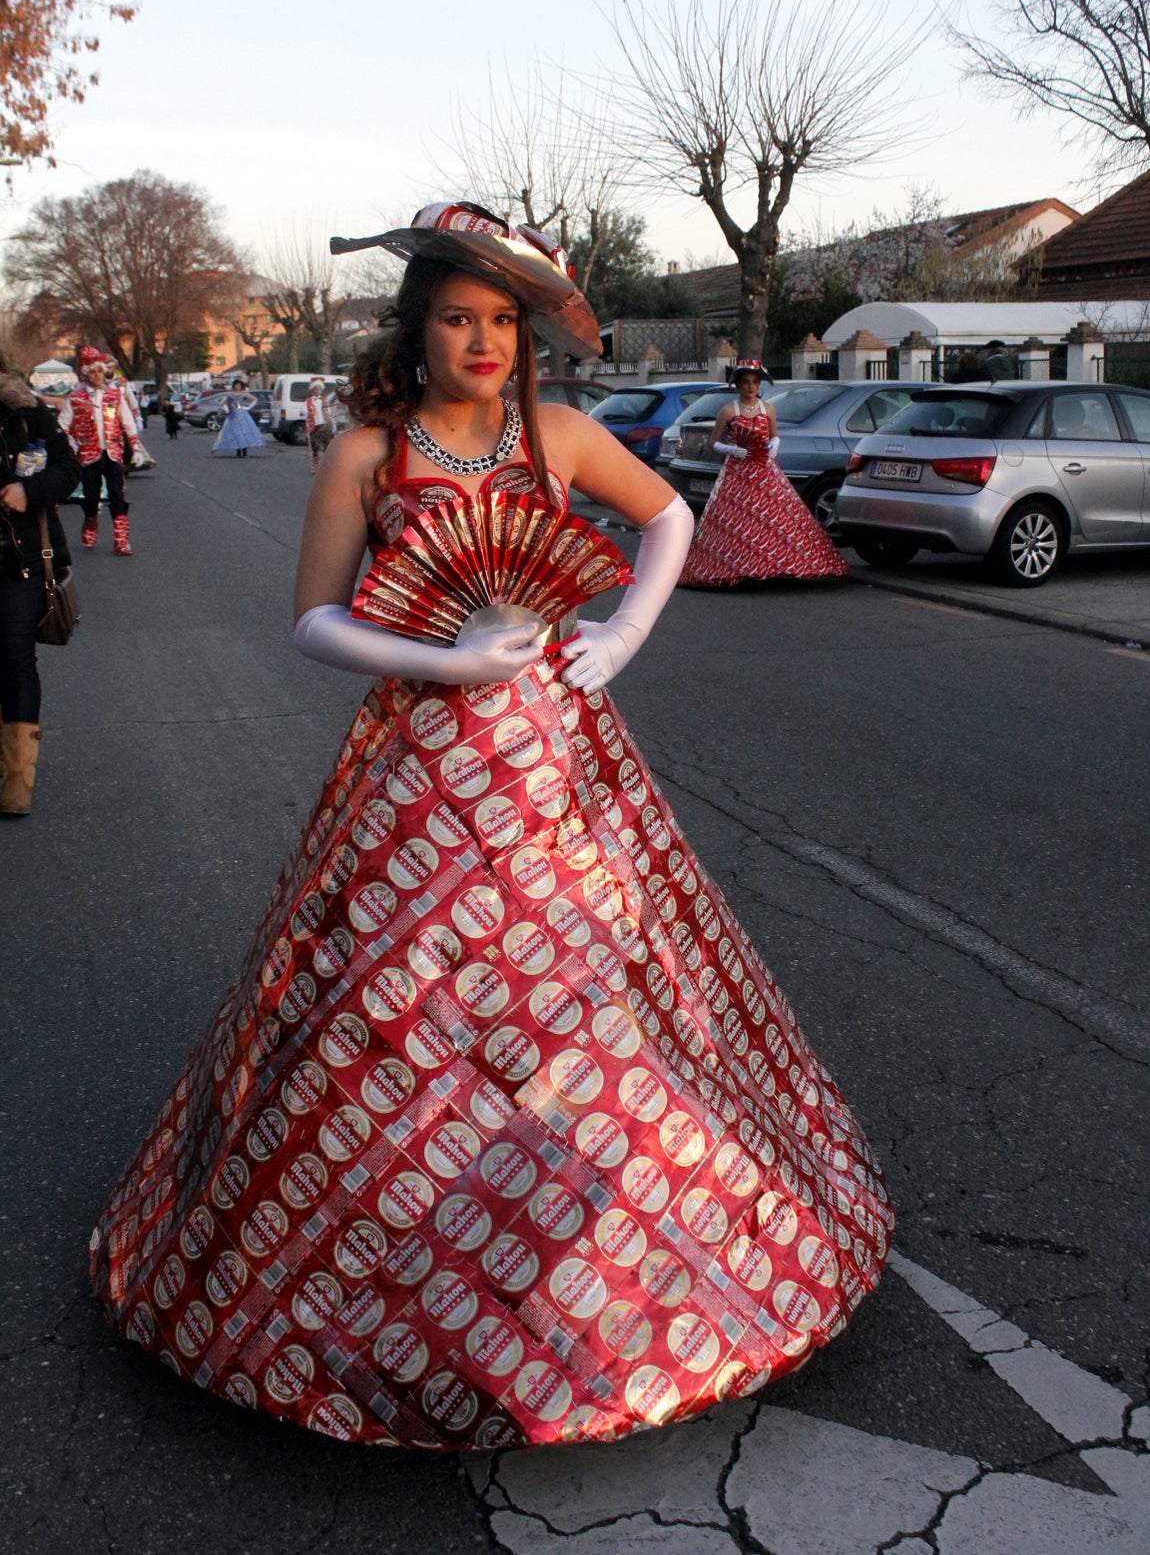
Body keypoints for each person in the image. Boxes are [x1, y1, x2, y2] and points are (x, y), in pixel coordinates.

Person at [91, 203, 891, 1450]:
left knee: (600, 987)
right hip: (417, 767)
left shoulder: (558, 434)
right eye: (457, 317)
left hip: (559, 766)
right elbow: (310, 620)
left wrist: (619, 633)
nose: (480, 339)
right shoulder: (364, 454)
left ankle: (630, 1280)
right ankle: (387, 1269)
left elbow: (668, 518)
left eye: (501, 320)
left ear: (523, 338)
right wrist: (437, 659)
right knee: (391, 1000)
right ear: (417, 332)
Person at [679, 358, 848, 586]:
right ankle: (735, 565)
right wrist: (732, 450)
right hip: (737, 473)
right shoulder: (728, 410)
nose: (751, 386)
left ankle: (773, 564)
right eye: (746, 382)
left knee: (775, 517)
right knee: (737, 519)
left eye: (755, 382)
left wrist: (774, 445)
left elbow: (774, 434)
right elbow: (712, 442)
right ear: (738, 385)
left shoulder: (768, 408)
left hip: (764, 470)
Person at [0, 362, 81, 815]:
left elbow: (69, 470)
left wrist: (27, 493)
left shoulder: (27, 413)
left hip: (20, 560)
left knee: (14, 656)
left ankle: (18, 777)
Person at [58, 347, 144, 556]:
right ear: (85, 373)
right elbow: (62, 425)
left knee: (117, 495)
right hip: (89, 456)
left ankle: (121, 540)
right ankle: (90, 519)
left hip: (113, 452)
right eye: (93, 371)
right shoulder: (76, 398)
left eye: (100, 371)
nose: (97, 375)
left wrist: (135, 447)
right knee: (91, 497)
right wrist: (71, 442)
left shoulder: (114, 395)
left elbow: (127, 422)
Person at [213, 378, 265, 458]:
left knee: (244, 432)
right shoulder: (230, 393)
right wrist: (226, 409)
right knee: (235, 432)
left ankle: (244, 451)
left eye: (239, 385)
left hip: (242, 415)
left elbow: (254, 400)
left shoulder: (244, 393)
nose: (238, 386)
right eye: (236, 385)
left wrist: (248, 407)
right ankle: (238, 451)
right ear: (234, 385)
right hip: (233, 415)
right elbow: (224, 403)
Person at [305, 375, 333, 473]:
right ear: (312, 390)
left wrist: (330, 421)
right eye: (316, 389)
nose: (318, 391)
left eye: (319, 389)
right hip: (314, 425)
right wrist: (306, 413)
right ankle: (315, 466)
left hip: (324, 424)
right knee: (315, 446)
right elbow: (303, 411)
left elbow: (328, 411)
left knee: (327, 445)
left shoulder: (324, 400)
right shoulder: (308, 401)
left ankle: (327, 465)